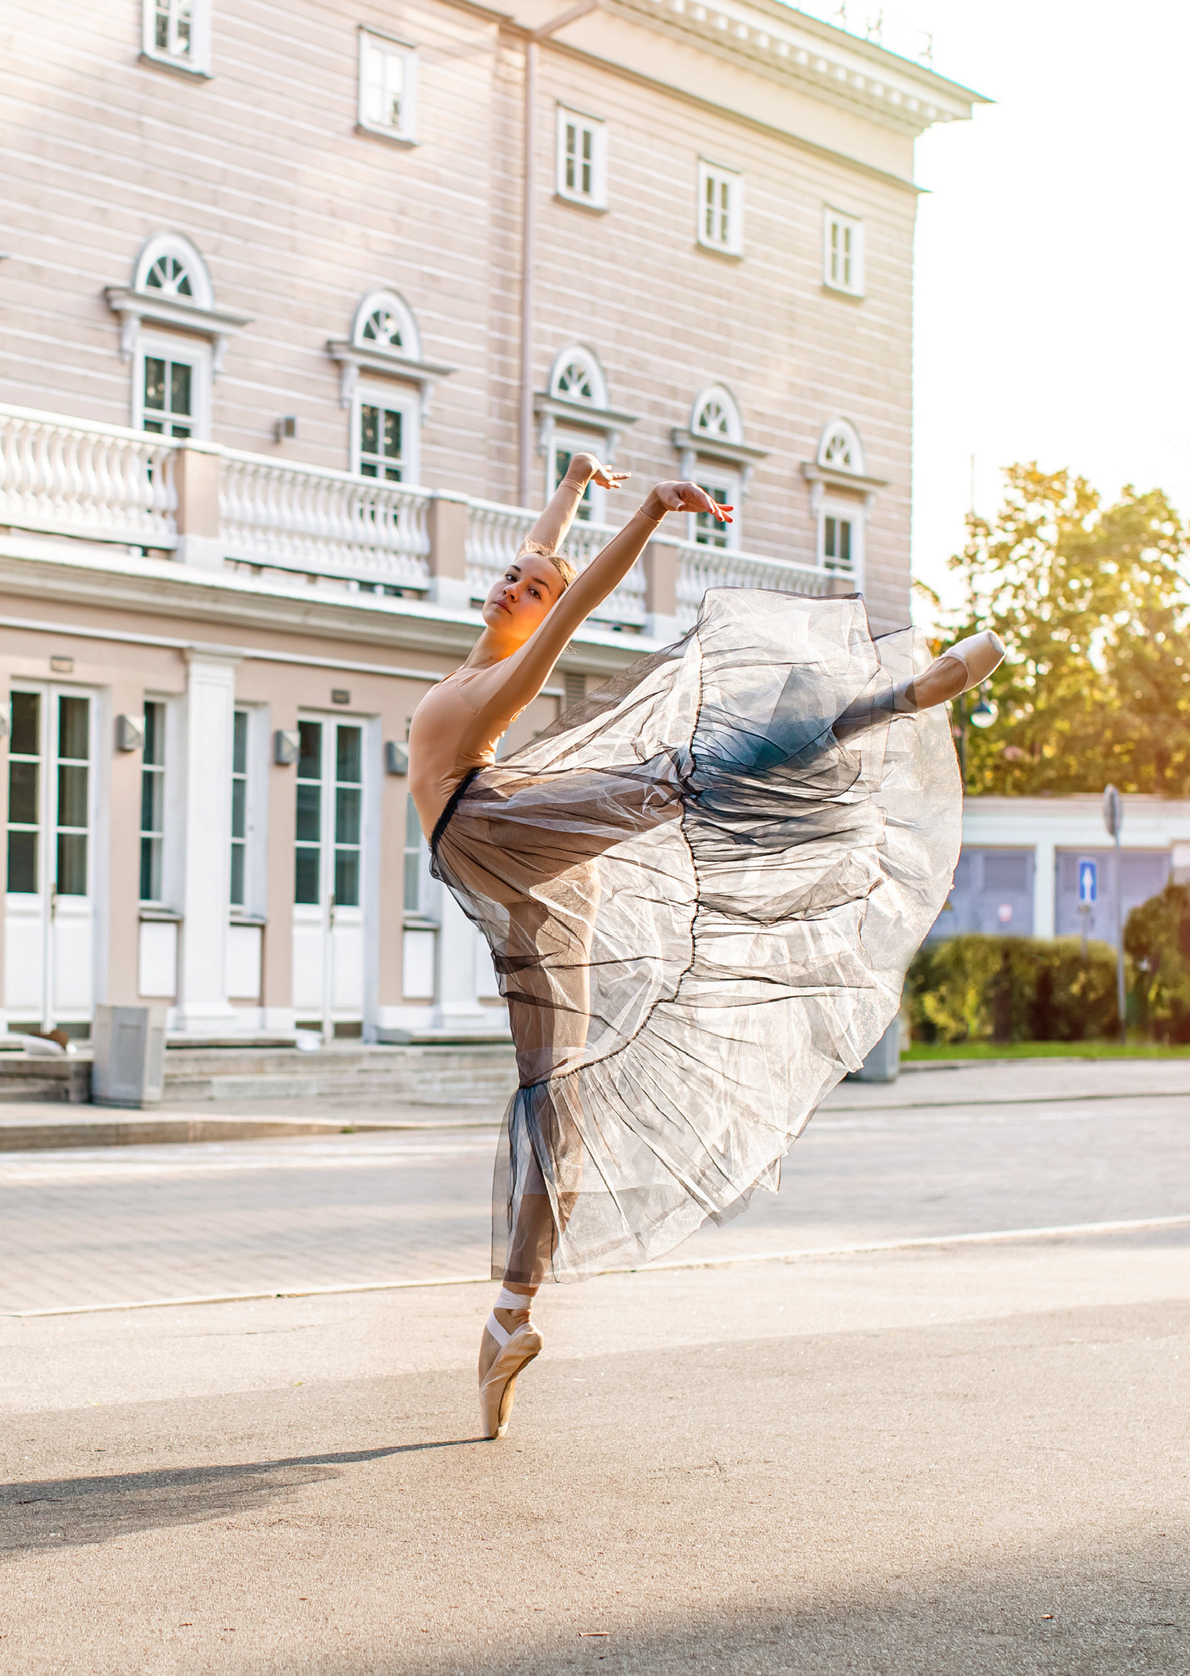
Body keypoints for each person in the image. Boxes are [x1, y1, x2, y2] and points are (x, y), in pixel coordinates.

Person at [408, 451, 1002, 1439]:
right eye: (514, 575)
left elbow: (569, 607)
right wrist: (569, 486)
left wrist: (642, 515)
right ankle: (889, 702)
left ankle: (510, 1312)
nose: (519, 582)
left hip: (491, 833)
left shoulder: (498, 683)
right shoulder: (482, 658)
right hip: (497, 848)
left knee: (563, 1078)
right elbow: (548, 557)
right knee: (557, 1085)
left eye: (531, 587)